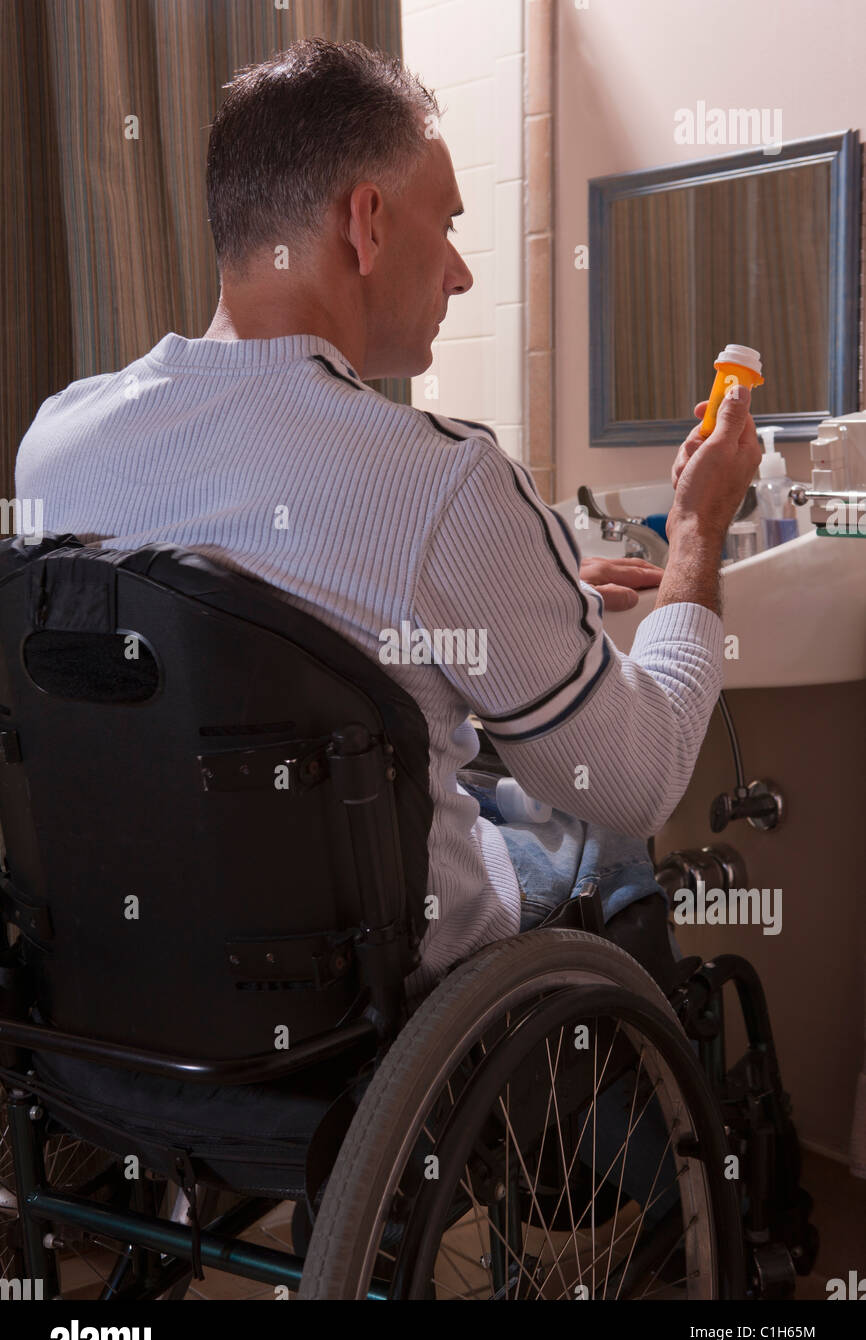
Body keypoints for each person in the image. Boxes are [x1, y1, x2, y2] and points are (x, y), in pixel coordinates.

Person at [15, 38, 762, 1002]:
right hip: (369, 991)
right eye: (446, 224)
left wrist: (517, 606)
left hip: (128, 976)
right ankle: (655, 1145)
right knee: (605, 829)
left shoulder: (56, 441)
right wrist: (699, 530)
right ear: (366, 223)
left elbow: (241, 614)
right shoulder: (442, 480)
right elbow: (636, 775)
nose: (458, 272)